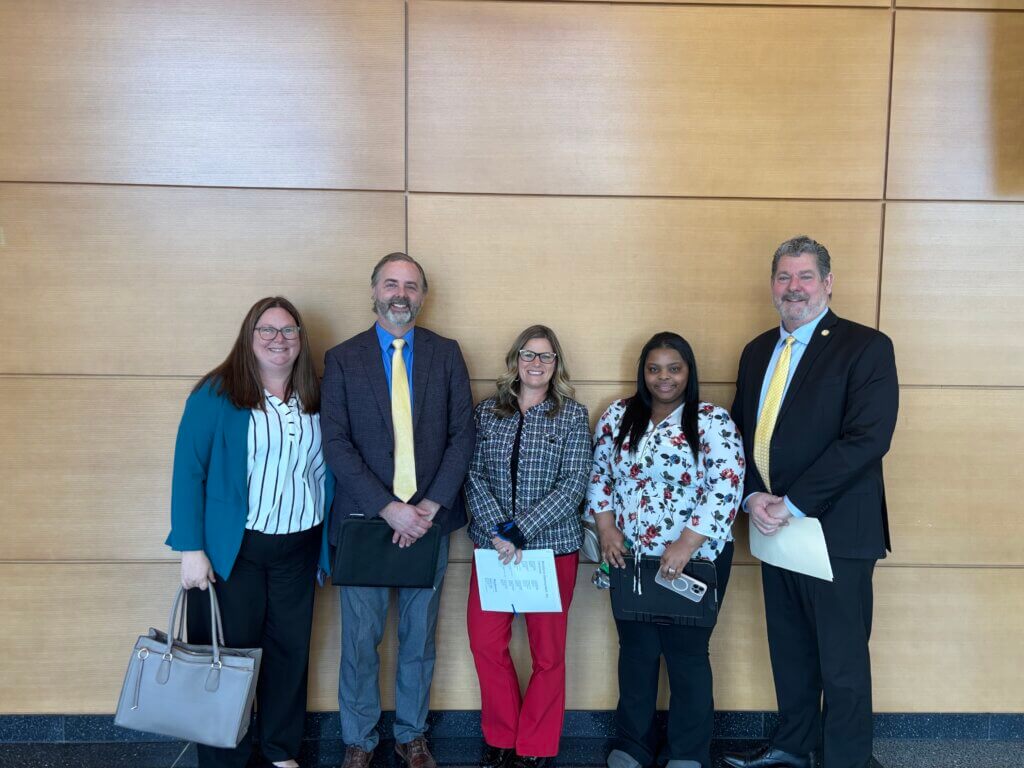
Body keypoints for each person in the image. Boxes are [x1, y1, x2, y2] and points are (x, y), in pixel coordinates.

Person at [723, 236, 898, 768]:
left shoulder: (866, 346)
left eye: (804, 277)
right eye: (783, 277)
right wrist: (752, 495)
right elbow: (739, 433)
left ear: (827, 283)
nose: (792, 288)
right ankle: (793, 746)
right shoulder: (757, 351)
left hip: (836, 532)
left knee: (842, 662)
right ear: (772, 285)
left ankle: (846, 759)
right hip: (773, 529)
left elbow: (867, 438)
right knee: (791, 651)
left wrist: (792, 502)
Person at [321, 252, 476, 768]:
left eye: (411, 286)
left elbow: (462, 435)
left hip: (430, 524)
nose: (401, 294)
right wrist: (389, 509)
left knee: (419, 639)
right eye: (391, 283)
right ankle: (359, 741)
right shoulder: (342, 359)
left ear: (423, 296)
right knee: (360, 642)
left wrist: (428, 507)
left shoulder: (447, 354)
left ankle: (412, 736)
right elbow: (337, 444)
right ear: (373, 291)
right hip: (365, 524)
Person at [166, 296, 334, 768]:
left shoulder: (317, 398)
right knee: (228, 658)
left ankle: (281, 751)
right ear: (249, 336)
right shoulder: (216, 394)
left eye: (288, 331)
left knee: (288, 655)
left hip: (297, 548)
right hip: (230, 552)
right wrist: (191, 548)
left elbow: (326, 473)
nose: (278, 340)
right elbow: (188, 472)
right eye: (267, 330)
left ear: (301, 340)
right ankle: (224, 757)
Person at [585, 332, 744, 768]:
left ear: (688, 371)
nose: (664, 377)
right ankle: (633, 745)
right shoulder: (619, 415)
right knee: (635, 653)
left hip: (696, 559)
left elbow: (726, 487)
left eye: (674, 368)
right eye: (654, 368)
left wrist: (687, 544)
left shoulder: (712, 420)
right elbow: (598, 475)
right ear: (644, 372)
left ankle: (688, 752)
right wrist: (606, 527)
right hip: (629, 555)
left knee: (686, 655)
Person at [464, 325, 592, 768]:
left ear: (557, 365)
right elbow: (472, 473)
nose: (536, 364)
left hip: (551, 551)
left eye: (546, 356)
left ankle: (535, 744)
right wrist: (500, 529)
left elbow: (574, 483)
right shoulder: (487, 413)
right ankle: (502, 735)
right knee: (485, 643)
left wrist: (523, 529)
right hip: (492, 549)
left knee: (548, 654)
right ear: (515, 359)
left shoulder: (572, 416)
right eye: (528, 354)